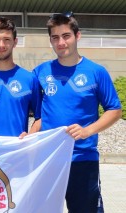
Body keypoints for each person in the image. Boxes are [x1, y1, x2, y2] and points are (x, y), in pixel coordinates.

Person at [33, 12, 122, 213]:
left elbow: (114, 110)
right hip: (48, 160)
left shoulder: (96, 71)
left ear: (77, 36)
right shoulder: (41, 72)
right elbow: (34, 110)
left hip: (83, 160)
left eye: (66, 36)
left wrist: (87, 131)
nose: (61, 42)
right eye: (55, 37)